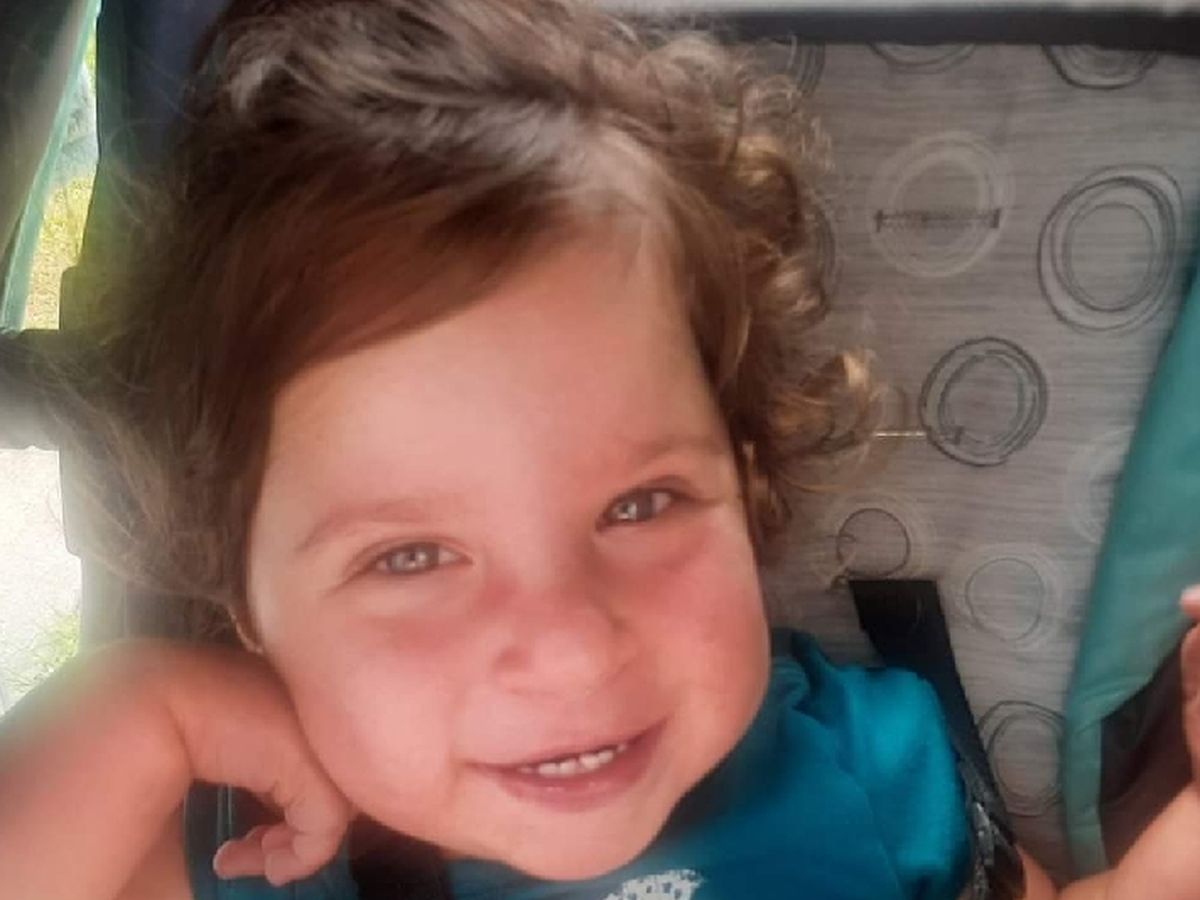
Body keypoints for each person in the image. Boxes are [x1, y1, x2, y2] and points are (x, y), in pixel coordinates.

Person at [2, 2, 1200, 898]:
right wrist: (139, 709)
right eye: (410, 556)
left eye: (641, 504)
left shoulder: (864, 764)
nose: (573, 647)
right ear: (248, 602)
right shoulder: (259, 845)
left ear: (746, 480)